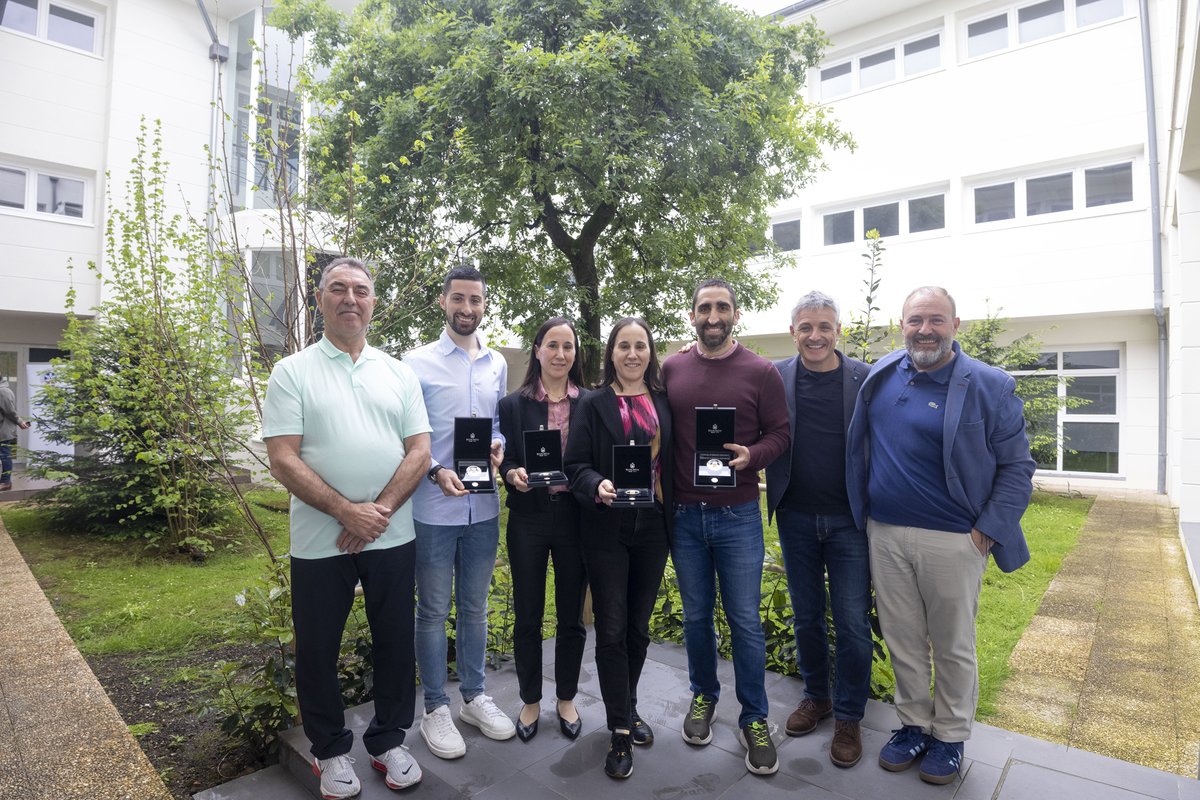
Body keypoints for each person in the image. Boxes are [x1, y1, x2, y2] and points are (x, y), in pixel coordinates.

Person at [847, 286, 1036, 785]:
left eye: (936, 319)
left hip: (954, 540)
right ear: (901, 323)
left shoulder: (989, 385)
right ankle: (913, 725)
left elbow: (1018, 469)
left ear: (957, 325)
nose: (924, 329)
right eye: (915, 320)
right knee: (903, 639)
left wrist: (985, 534)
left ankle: (950, 736)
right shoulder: (884, 374)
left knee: (952, 644)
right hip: (885, 533)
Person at [262, 257, 432, 797]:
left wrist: (374, 512)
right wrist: (344, 510)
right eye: (338, 289)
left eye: (361, 290)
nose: (350, 299)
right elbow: (283, 459)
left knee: (394, 642)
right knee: (317, 647)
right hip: (319, 542)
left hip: (391, 535)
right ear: (319, 300)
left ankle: (387, 742)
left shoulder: (398, 372)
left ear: (374, 302)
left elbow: (420, 451)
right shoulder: (292, 371)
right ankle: (331, 751)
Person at [661, 279, 789, 776]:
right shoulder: (671, 368)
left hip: (737, 515)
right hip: (685, 515)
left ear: (735, 314)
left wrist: (751, 456)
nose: (713, 315)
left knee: (745, 621)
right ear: (692, 314)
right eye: (704, 307)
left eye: (722, 307)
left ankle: (754, 717)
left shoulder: (761, 372)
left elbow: (781, 433)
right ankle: (703, 697)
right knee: (696, 617)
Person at [406, 265, 516, 759]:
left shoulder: (496, 363)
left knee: (474, 608)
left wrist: (497, 445)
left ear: (484, 305)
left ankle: (473, 696)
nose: (467, 308)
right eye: (459, 299)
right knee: (432, 611)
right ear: (443, 301)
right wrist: (433, 470)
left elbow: (495, 424)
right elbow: (405, 436)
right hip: (432, 507)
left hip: (482, 507)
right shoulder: (415, 363)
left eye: (475, 300)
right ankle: (434, 707)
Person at [764, 290, 872, 768]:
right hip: (796, 516)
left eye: (824, 326)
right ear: (793, 332)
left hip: (850, 519)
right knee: (807, 616)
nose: (815, 335)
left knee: (851, 621)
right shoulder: (775, 376)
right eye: (806, 327)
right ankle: (817, 697)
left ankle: (849, 716)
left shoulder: (864, 379)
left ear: (838, 331)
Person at [564, 317, 673, 779]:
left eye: (641, 346)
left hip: (653, 526)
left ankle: (626, 705)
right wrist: (599, 483)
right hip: (607, 526)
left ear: (650, 353)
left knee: (638, 628)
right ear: (611, 352)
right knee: (610, 628)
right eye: (624, 346)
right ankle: (620, 730)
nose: (632, 353)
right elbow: (574, 465)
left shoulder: (665, 401)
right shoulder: (591, 403)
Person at [498, 316, 588, 743]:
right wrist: (512, 472)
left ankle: (566, 697)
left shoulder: (589, 401)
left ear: (575, 353)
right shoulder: (514, 404)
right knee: (528, 613)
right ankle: (531, 699)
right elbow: (509, 457)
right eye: (552, 345)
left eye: (567, 346)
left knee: (571, 615)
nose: (560, 354)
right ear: (537, 350)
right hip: (529, 516)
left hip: (576, 516)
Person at [0, 375, 31, 491]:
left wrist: (19, 421)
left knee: (4, 455)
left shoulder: (3, 391)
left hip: (2, 430)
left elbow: (10, 411)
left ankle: (6, 482)